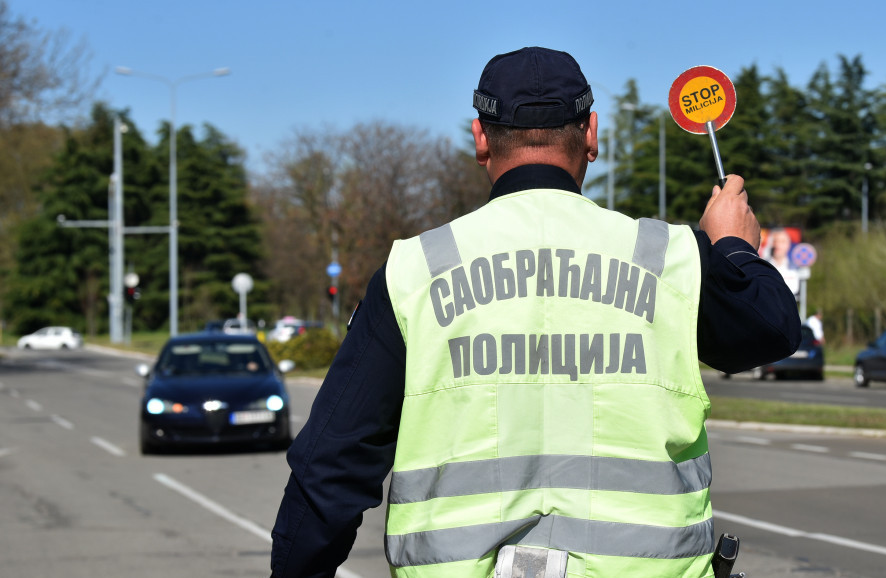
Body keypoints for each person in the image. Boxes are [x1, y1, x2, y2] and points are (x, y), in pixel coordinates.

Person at [270, 46, 801, 578]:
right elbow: (771, 330)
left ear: (480, 139)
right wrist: (732, 247)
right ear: (591, 135)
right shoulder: (668, 257)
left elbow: (329, 471)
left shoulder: (416, 272)